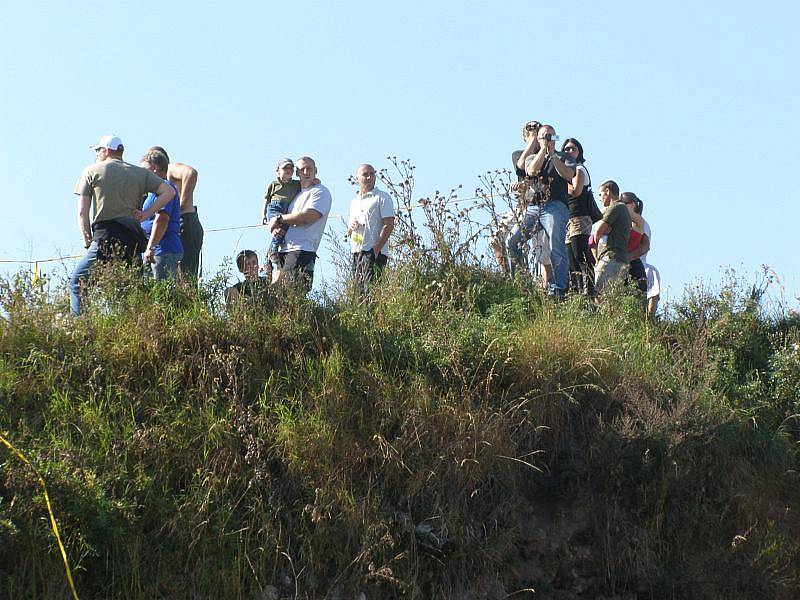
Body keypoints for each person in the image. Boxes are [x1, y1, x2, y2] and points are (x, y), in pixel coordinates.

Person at [70, 135, 175, 316]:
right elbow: (168, 192)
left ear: (106, 150)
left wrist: (87, 242)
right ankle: (133, 327)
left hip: (105, 236)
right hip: (132, 239)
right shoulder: (139, 173)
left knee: (78, 281)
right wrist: (146, 214)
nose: (97, 154)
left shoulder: (91, 171)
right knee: (131, 290)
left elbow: (82, 212)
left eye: (98, 150)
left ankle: (80, 327)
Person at [507, 124, 576, 297]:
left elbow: (569, 175)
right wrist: (543, 151)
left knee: (556, 244)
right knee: (513, 240)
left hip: (556, 206)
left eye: (551, 137)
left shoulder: (565, 157)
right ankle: (521, 283)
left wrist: (553, 156)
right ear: (538, 139)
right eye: (544, 136)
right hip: (534, 206)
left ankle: (559, 288)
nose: (548, 140)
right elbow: (531, 170)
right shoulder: (532, 157)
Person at [269, 156, 332, 291]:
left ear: (316, 171)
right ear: (296, 173)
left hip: (302, 250)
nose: (305, 172)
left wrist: (279, 219)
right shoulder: (296, 194)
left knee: (290, 294)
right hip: (284, 249)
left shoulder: (320, 191)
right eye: (301, 170)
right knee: (276, 295)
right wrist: (275, 226)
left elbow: (308, 217)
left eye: (309, 169)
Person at [490, 120, 541, 273]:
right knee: (496, 239)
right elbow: (521, 165)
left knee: (523, 243)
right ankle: (508, 276)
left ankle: (523, 277)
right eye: (529, 131)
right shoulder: (518, 154)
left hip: (539, 205)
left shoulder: (546, 155)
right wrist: (532, 140)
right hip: (522, 206)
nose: (534, 133)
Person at [148, 146, 204, 280]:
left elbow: (191, 173)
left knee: (187, 275)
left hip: (186, 220)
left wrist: (182, 206)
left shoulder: (170, 169)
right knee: (180, 275)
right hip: (183, 224)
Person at [562, 138, 602, 296]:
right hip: (568, 218)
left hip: (580, 217)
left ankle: (589, 291)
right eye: (566, 149)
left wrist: (563, 183)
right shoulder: (567, 171)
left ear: (579, 152)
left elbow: (576, 191)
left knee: (581, 255)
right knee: (571, 257)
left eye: (572, 149)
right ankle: (577, 291)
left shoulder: (579, 169)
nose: (569, 152)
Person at [347, 164, 395, 294]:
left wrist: (376, 249)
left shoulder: (382, 197)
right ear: (357, 178)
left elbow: (389, 224)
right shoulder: (354, 201)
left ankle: (376, 315)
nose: (369, 177)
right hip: (357, 251)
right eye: (365, 174)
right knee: (358, 293)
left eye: (372, 174)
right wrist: (350, 228)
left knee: (373, 292)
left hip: (374, 252)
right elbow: (350, 231)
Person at [139, 151, 183, 280]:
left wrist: (151, 247)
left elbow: (162, 218)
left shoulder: (166, 189)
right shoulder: (153, 193)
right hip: (156, 252)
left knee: (162, 294)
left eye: (144, 170)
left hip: (163, 251)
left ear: (154, 169)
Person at [592, 180, 631, 295]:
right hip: (618, 259)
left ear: (608, 191)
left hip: (611, 258)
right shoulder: (621, 209)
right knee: (610, 298)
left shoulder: (616, 207)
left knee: (599, 295)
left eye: (600, 194)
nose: (600, 199)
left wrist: (601, 225)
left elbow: (598, 231)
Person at [262, 158, 301, 267]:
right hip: (275, 207)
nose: (288, 170)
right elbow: (266, 199)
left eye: (291, 168)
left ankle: (270, 254)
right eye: (285, 168)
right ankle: (273, 251)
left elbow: (310, 183)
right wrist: (263, 215)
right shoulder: (274, 184)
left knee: (282, 232)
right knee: (277, 229)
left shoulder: (296, 184)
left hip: (287, 210)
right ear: (278, 171)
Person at [620, 192, 650, 298]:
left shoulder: (641, 223)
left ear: (632, 205)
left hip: (636, 265)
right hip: (623, 266)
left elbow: (645, 246)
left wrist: (628, 257)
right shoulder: (624, 222)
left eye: (622, 203)